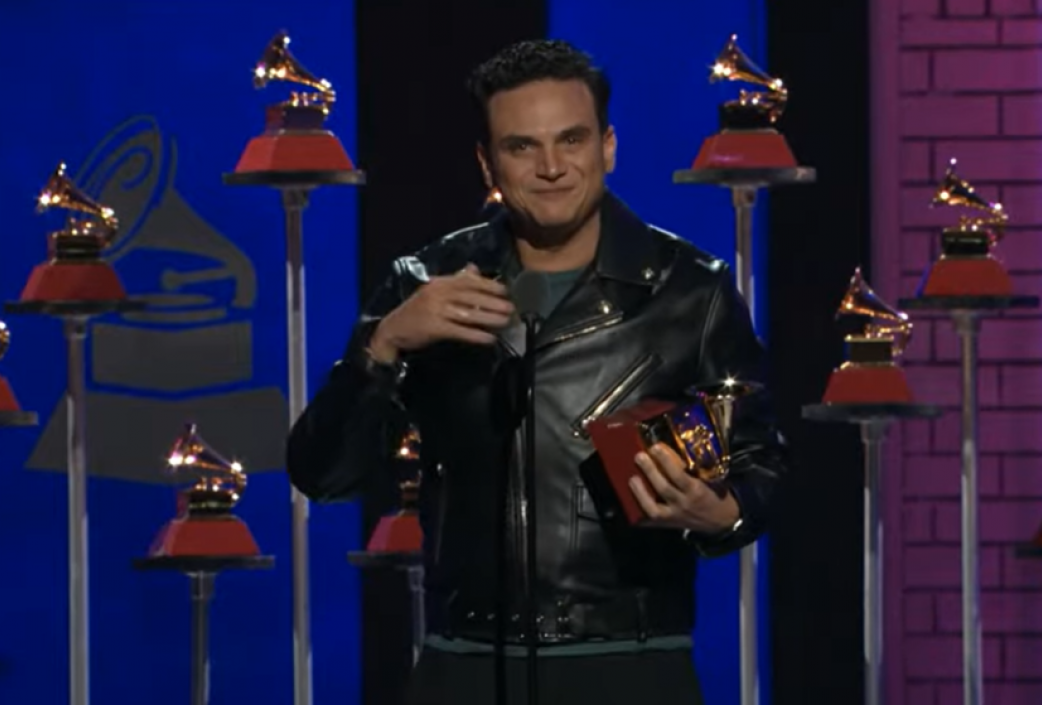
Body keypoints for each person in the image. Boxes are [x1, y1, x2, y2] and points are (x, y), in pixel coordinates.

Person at [286, 38, 789, 705]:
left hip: (631, 663)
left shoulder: (689, 292)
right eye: (522, 146)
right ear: (487, 161)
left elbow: (764, 467)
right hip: (462, 664)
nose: (552, 167)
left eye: (571, 140)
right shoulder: (426, 283)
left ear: (607, 146)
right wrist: (381, 345)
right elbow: (323, 473)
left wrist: (717, 510)